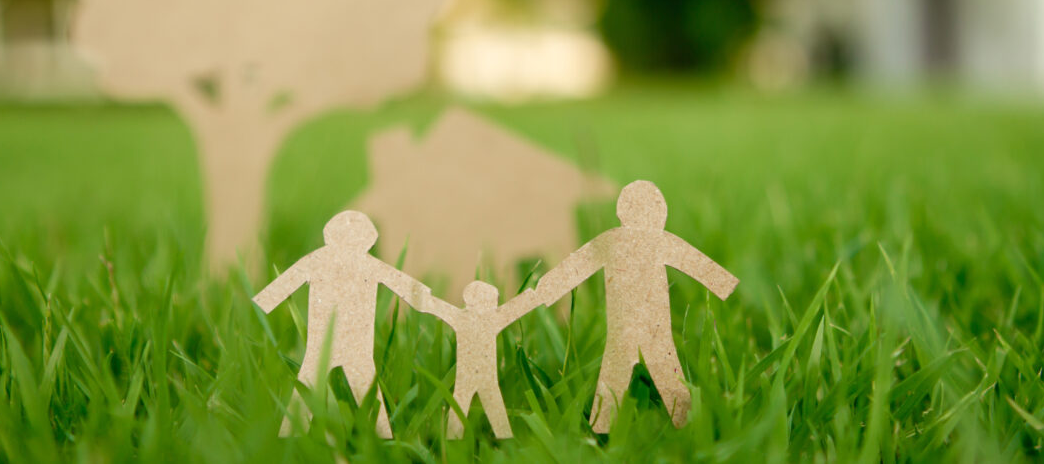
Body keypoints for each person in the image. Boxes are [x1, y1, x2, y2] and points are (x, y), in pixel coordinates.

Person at [536, 180, 739, 432]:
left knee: (638, 377)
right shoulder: (649, 241)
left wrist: (547, 287)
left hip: (643, 330)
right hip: (641, 331)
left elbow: (576, 266)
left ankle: (608, 427)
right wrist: (723, 283)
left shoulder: (620, 241)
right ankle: (677, 425)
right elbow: (701, 266)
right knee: (654, 376)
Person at [253, 210, 432, 438]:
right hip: (331, 344)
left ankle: (377, 435)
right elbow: (409, 288)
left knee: (351, 385)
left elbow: (408, 287)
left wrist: (433, 303)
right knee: (325, 384)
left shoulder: (335, 262)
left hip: (351, 345)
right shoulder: (330, 261)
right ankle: (377, 436)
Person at [412, 281, 540, 438]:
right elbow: (431, 304)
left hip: (481, 378)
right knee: (472, 405)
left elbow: (431, 304)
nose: (495, 302)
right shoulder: (483, 317)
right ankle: (465, 438)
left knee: (487, 407)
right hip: (472, 378)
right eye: (492, 299)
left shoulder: (488, 317)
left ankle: (495, 437)